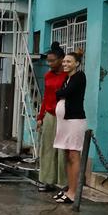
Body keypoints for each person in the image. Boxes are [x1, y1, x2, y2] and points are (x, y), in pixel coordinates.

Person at [53, 50, 88, 204]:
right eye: (64, 61)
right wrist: (60, 93)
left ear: (77, 64)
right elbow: (59, 93)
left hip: (74, 122)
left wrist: (60, 93)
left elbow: (65, 92)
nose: (65, 64)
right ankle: (69, 189)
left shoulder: (79, 77)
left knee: (74, 156)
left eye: (69, 62)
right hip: (65, 122)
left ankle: (74, 193)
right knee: (68, 155)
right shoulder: (67, 78)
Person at [35, 42, 66, 192]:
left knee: (62, 150)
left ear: (61, 59)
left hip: (65, 116)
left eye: (52, 61)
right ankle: (47, 181)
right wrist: (40, 117)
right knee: (47, 147)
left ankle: (64, 183)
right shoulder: (47, 76)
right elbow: (46, 97)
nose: (49, 63)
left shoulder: (68, 76)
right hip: (49, 115)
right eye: (48, 60)